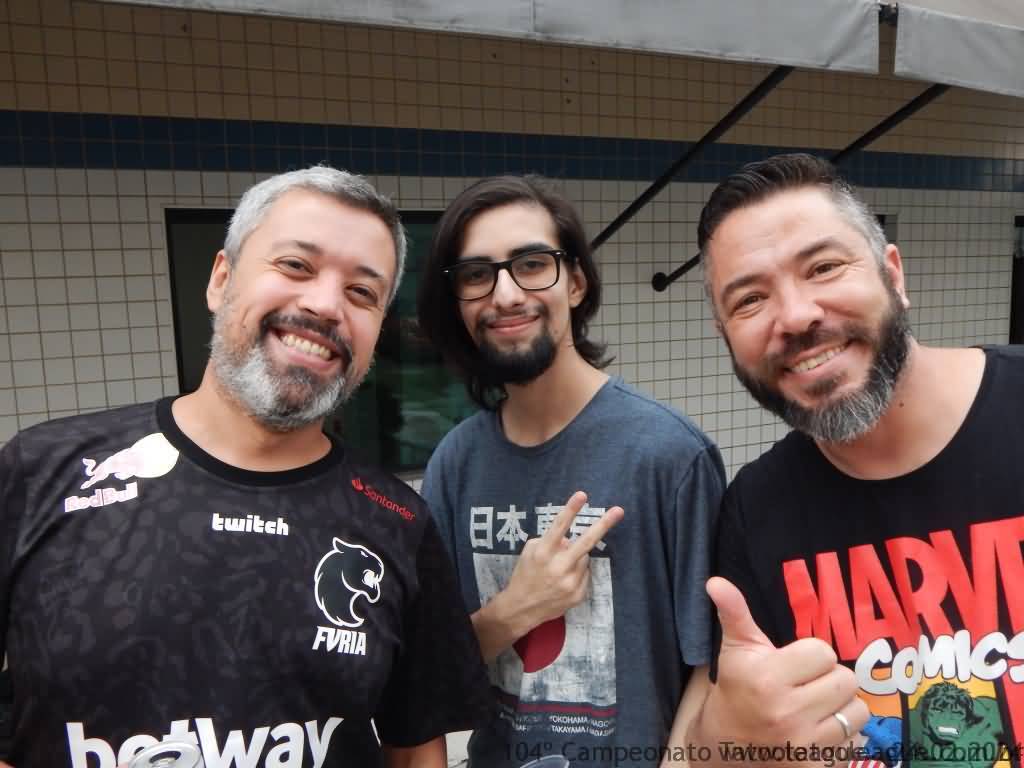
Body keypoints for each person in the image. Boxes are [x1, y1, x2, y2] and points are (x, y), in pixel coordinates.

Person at [0, 167, 490, 767]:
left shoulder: (397, 523)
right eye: (296, 265)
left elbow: (416, 752)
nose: (325, 305)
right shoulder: (43, 471)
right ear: (221, 279)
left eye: (362, 293)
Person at [687, 153, 1024, 767]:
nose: (796, 317)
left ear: (893, 274)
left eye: (823, 267)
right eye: (750, 300)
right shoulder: (754, 511)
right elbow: (730, 739)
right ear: (725, 336)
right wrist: (728, 741)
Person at [416, 175, 725, 768]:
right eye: (477, 275)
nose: (506, 294)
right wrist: (517, 608)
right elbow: (431, 667)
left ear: (576, 283)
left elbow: (710, 661)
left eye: (532, 264)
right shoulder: (455, 464)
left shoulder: (669, 455)